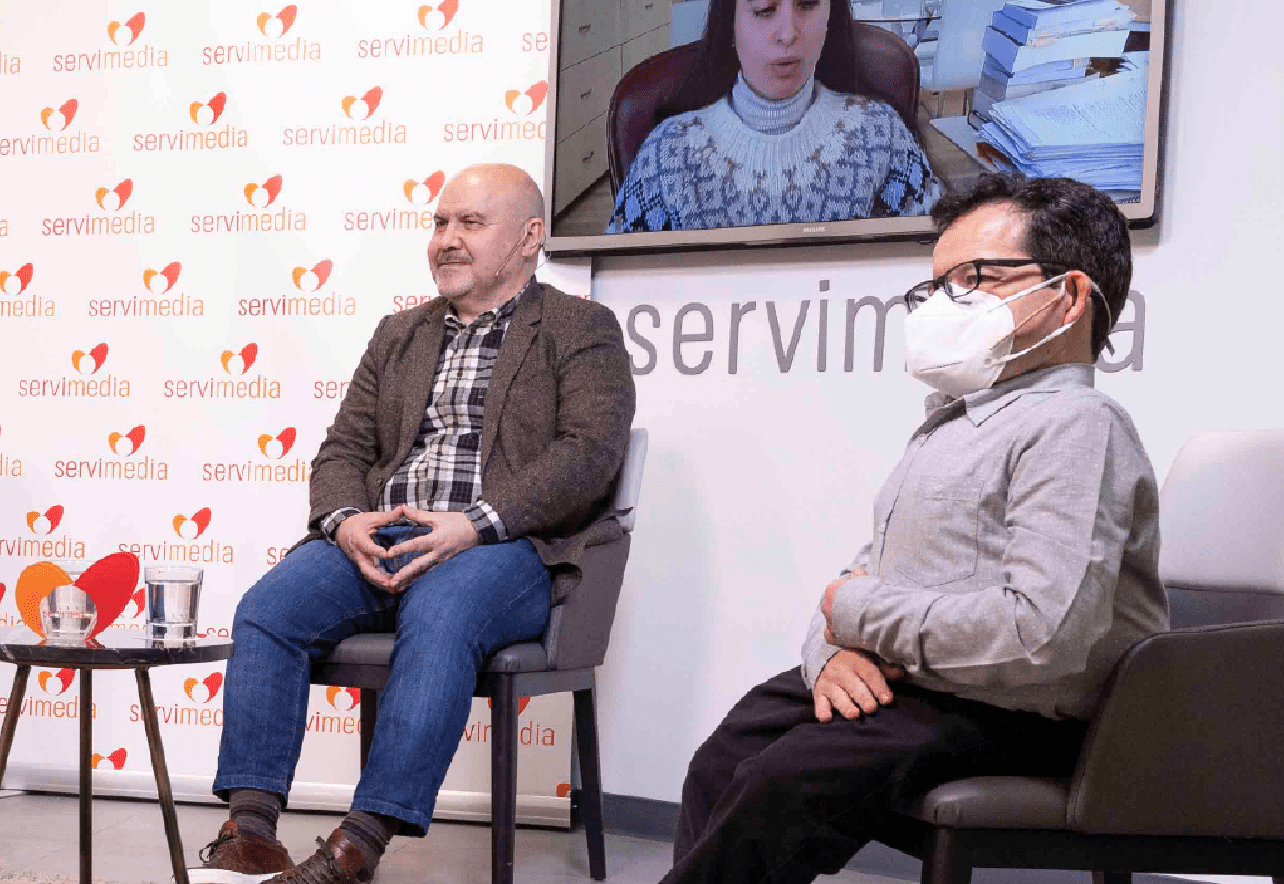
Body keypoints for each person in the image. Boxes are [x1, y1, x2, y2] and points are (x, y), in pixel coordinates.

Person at [662, 173, 1169, 883]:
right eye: (937, 286)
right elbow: (855, 582)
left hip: (1018, 712)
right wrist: (832, 655)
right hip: (930, 687)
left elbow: (1042, 631)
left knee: (786, 780)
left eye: (975, 278)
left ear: (1069, 296)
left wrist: (861, 617)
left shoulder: (1078, 427)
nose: (944, 304)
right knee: (728, 753)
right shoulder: (949, 424)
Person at [190, 164, 636, 884]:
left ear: (529, 238)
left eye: (470, 223)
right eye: (440, 223)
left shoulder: (579, 328)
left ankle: (357, 845)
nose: (447, 240)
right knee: (268, 610)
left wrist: (476, 525)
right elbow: (344, 450)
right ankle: (250, 832)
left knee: (444, 606)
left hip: (507, 548)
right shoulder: (399, 333)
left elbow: (590, 455)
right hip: (385, 536)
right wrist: (343, 522)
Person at [606, 0, 942, 234]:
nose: (787, 34)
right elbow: (619, 299)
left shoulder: (880, 135)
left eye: (808, 4)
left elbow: (938, 267)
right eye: (764, 10)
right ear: (731, 23)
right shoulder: (668, 154)